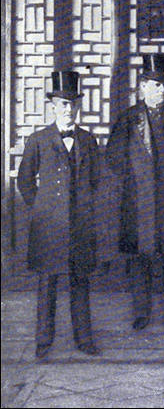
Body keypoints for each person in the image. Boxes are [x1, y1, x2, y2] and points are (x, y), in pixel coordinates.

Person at [106, 53, 164, 334]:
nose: (162, 90)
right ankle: (141, 314)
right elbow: (113, 156)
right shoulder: (129, 117)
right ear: (143, 86)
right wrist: (132, 181)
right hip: (141, 201)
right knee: (141, 259)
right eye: (156, 85)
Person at [17, 70, 101, 359]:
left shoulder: (88, 140)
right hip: (49, 225)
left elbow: (95, 179)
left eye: (73, 104)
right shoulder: (38, 140)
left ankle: (84, 339)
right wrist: (43, 209)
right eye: (63, 104)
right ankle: (43, 341)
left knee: (80, 282)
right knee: (47, 283)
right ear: (52, 106)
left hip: (79, 224)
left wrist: (83, 208)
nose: (69, 110)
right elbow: (25, 181)